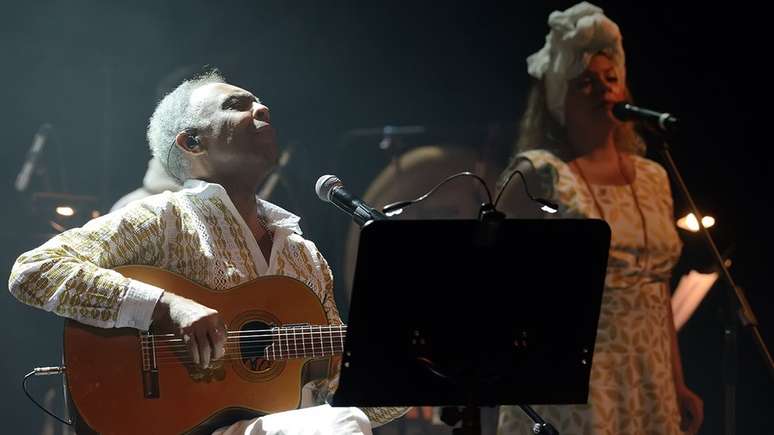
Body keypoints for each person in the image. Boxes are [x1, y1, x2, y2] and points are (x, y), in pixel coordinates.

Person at [8, 70, 407, 434]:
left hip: (281, 425)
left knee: (344, 420)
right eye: (237, 105)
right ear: (191, 142)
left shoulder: (304, 256)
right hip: (176, 426)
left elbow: (341, 391)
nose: (262, 109)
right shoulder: (164, 219)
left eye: (259, 102)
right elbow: (34, 271)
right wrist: (166, 306)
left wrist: (415, 369)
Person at [495, 3, 703, 434]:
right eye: (585, 83)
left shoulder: (653, 176)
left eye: (611, 79)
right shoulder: (540, 173)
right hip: (577, 377)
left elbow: (657, 290)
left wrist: (677, 382)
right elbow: (497, 275)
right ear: (558, 100)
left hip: (649, 379)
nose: (603, 91)